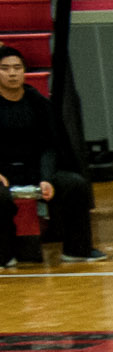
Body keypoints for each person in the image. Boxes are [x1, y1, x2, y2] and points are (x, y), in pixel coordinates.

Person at [0, 46, 101, 264]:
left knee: (75, 184)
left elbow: (49, 146)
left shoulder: (39, 103)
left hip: (35, 170)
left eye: (17, 68)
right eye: (5, 68)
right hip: (3, 173)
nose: (12, 73)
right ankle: (4, 255)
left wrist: (45, 177)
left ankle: (77, 250)